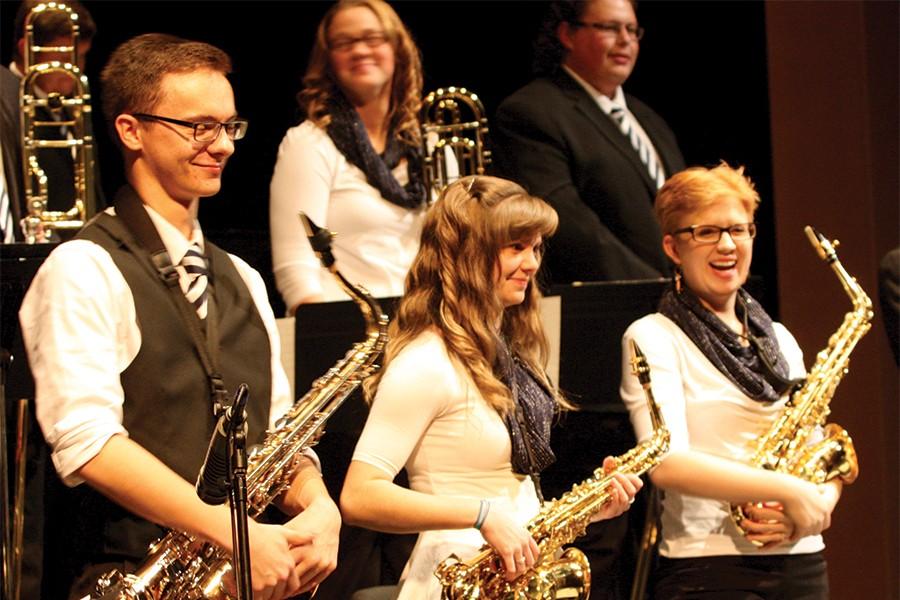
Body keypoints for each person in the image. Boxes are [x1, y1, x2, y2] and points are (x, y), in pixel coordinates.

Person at [19, 33, 340, 599]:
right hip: (125, 581)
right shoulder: (82, 266)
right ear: (130, 130)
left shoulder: (242, 277)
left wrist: (319, 505)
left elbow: (278, 434)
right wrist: (234, 533)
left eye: (229, 126)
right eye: (199, 126)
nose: (223, 146)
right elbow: (86, 442)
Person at [340, 175, 643, 599]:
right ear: (468, 254)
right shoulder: (426, 361)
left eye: (536, 248)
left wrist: (593, 510)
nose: (533, 263)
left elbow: (509, 498)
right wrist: (480, 515)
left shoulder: (505, 355)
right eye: (515, 247)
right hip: (455, 581)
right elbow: (359, 496)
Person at [620, 163, 843, 598]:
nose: (727, 244)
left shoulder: (779, 337)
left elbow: (818, 450)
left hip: (802, 557)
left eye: (739, 230)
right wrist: (789, 491)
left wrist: (818, 505)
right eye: (706, 232)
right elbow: (667, 463)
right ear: (672, 246)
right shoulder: (652, 336)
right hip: (709, 565)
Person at [492, 0, 685, 284]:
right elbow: (568, 225)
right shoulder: (531, 111)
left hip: (679, 297)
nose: (625, 40)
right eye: (610, 28)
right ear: (567, 34)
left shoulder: (649, 119)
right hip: (606, 302)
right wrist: (651, 286)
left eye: (632, 30)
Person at [270, 0, 428, 313]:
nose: (360, 51)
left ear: (398, 48)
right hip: (351, 336)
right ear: (327, 60)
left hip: (427, 327)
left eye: (373, 38)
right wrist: (328, 338)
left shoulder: (430, 144)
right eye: (344, 43)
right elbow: (296, 270)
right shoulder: (309, 144)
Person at [8, 0, 103, 233]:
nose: (75, 70)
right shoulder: (7, 109)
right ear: (26, 49)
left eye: (81, 57)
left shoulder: (70, 109)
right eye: (64, 59)